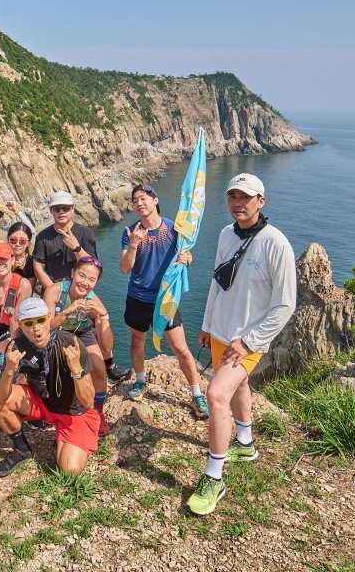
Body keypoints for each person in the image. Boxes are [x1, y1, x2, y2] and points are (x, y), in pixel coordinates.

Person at [187, 173, 296, 516]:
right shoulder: (225, 234)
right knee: (238, 387)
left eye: (245, 197)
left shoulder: (275, 243)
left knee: (217, 395)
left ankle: (214, 477)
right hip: (220, 332)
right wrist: (206, 324)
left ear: (261, 201)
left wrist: (249, 342)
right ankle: (246, 443)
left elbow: (285, 305)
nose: (238, 203)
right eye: (233, 196)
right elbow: (218, 282)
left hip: (245, 341)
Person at [119, 183, 206, 418]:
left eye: (143, 198)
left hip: (165, 299)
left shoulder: (174, 228)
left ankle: (196, 393)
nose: (139, 203)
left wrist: (188, 259)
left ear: (155, 200)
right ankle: (140, 380)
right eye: (135, 200)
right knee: (137, 341)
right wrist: (135, 243)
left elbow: (186, 255)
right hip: (138, 297)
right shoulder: (129, 232)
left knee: (181, 349)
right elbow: (125, 268)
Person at [0, 298, 99, 477]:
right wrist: (9, 369)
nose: (36, 328)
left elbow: (87, 400)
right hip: (43, 403)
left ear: (49, 318)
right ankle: (22, 449)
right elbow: (0, 398)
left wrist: (76, 370)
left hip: (73, 411)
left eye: (40, 320)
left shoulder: (71, 343)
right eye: (28, 323)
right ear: (21, 325)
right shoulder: (17, 347)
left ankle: (66, 435)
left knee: (69, 470)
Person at [32, 191, 131, 384]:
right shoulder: (44, 236)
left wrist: (76, 247)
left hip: (81, 285)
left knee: (100, 317)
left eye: (66, 208)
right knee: (51, 326)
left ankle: (109, 364)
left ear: (72, 209)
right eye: (57, 208)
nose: (61, 212)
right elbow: (38, 266)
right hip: (55, 288)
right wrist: (55, 289)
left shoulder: (84, 233)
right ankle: (43, 370)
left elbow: (92, 265)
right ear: (52, 211)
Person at [45, 257, 113, 437]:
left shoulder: (94, 300)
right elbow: (47, 327)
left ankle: (97, 412)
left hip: (83, 332)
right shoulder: (54, 292)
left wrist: (102, 316)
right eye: (81, 276)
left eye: (92, 280)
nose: (85, 283)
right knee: (57, 370)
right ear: (72, 273)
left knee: (99, 368)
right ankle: (51, 408)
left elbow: (107, 345)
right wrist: (68, 311)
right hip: (57, 332)